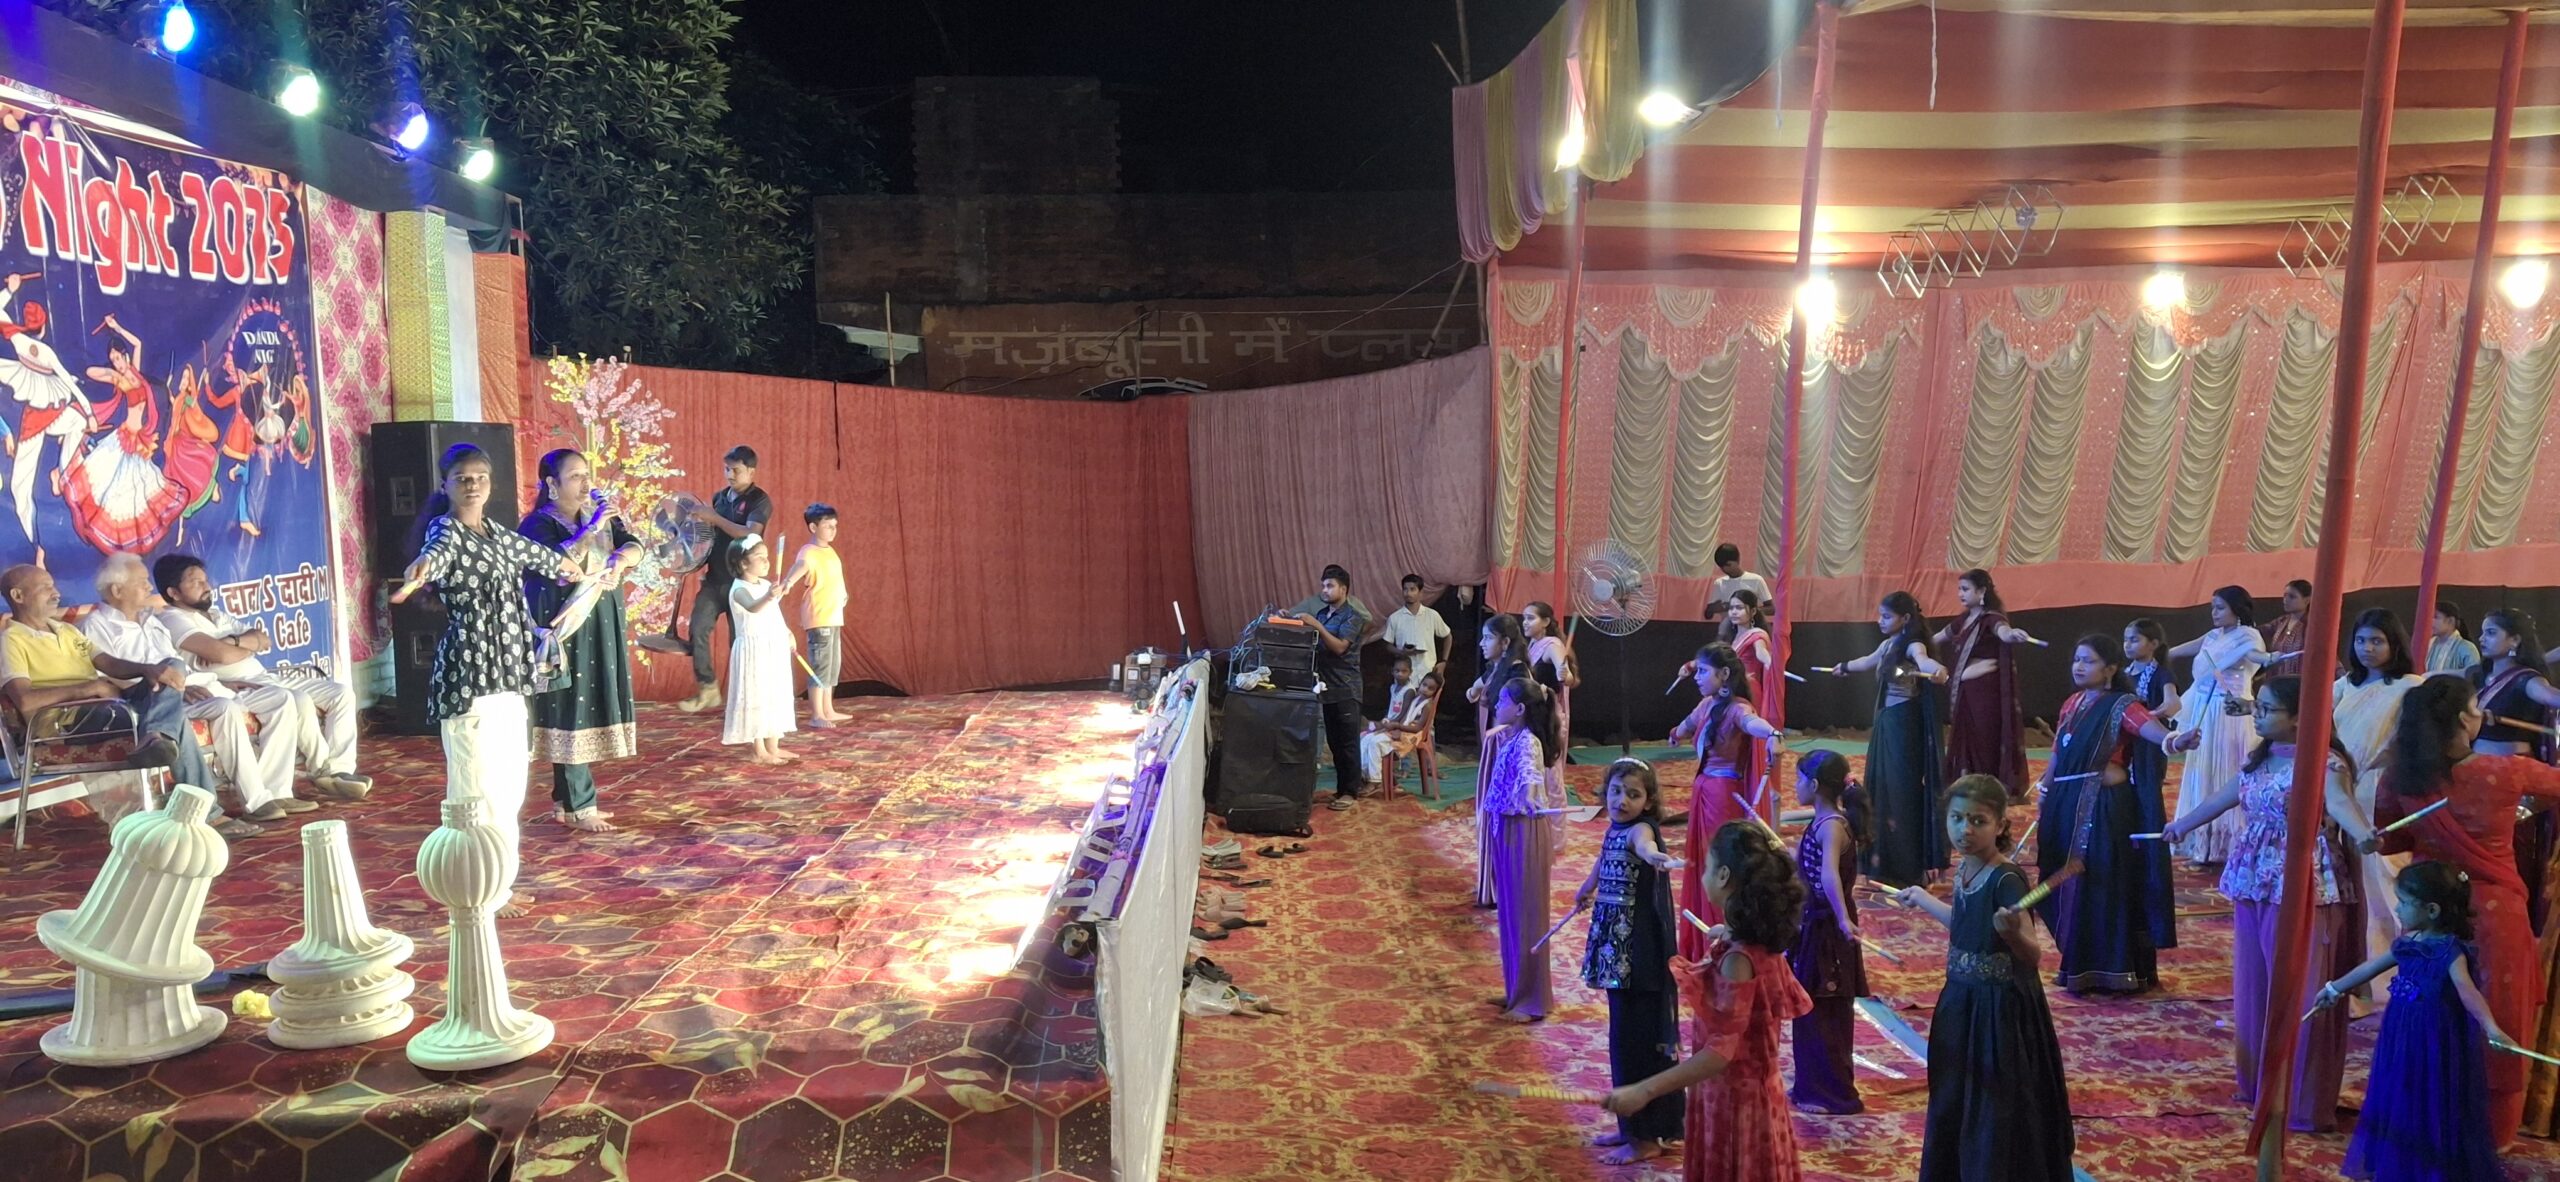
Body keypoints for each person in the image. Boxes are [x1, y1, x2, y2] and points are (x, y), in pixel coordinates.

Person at [2161, 676, 2371, 1133]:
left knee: (2302, 988)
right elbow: (2225, 796)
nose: (2256, 715)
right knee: (2255, 984)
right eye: (2258, 707)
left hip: (2307, 883)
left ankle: (2302, 1098)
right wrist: (2182, 825)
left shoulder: (2326, 761)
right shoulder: (2261, 756)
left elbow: (2340, 803)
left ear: (2299, 717)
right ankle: (2261, 1086)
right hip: (2254, 879)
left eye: (2267, 709)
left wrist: (2362, 833)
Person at [394, 443, 587, 916]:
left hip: (509, 676)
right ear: (445, 485)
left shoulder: (499, 535)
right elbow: (435, 556)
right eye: (462, 478)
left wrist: (572, 567)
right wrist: (420, 570)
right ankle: (477, 888)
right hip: (472, 680)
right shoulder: (446, 531)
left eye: (480, 477)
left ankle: (498, 881)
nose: (473, 484)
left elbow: (544, 558)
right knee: (474, 791)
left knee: (508, 791)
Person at [2370, 673, 2560, 1146]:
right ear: (2463, 718)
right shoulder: (2507, 771)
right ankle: (2490, 1135)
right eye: (2477, 708)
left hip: (2429, 913)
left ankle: (2422, 1122)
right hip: (2495, 915)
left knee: (2427, 1014)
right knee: (2497, 1015)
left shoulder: (2401, 777)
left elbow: (2389, 839)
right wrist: (2522, 809)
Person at [1603, 821, 1810, 1182]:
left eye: (1709, 866)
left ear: (1724, 876)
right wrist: (1726, 934)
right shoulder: (1755, 940)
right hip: (1751, 1096)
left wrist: (1645, 1089)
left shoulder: (1738, 959)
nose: (1703, 874)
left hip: (1736, 1106)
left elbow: (1720, 1053)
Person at [1895, 775, 2074, 1182]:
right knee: (1956, 1097)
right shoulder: (1967, 867)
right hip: (1962, 1002)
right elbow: (1965, 925)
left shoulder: (2006, 878)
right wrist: (1922, 898)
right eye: (1957, 819)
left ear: (2000, 825)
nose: (1965, 830)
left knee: (1992, 1107)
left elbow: (2032, 954)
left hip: (1998, 1014)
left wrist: (2012, 934)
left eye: (1978, 821)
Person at [2313, 861, 2506, 1182]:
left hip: (2432, 1040)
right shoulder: (2408, 944)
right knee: (2399, 1092)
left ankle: (2429, 1168)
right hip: (2401, 1034)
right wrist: (2334, 988)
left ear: (2431, 910)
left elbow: (2468, 992)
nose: (2397, 908)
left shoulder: (2450, 951)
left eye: (2403, 902)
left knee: (2428, 1097)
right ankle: (2401, 1161)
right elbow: (2370, 968)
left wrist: (2490, 1026)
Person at [82, 553, 308, 826]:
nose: (149, 587)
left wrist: (194, 684)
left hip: (184, 690)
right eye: (141, 582)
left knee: (241, 704)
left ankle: (259, 801)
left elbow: (181, 667)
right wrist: (171, 688)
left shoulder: (152, 621)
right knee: (187, 679)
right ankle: (162, 742)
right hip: (144, 701)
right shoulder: (95, 626)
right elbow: (109, 677)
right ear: (117, 590)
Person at [0, 565, 222, 830]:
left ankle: (157, 736)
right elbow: (25, 700)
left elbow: (108, 663)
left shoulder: (66, 630)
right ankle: (203, 811)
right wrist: (89, 688)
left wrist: (147, 669)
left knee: (171, 667)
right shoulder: (11, 640)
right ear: (18, 595)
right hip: (67, 721)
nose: (56, 593)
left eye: (53, 585)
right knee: (174, 721)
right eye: (45, 588)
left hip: (107, 706)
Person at [2037, 636, 2193, 996]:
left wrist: (2174, 741)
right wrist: (2046, 792)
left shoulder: (2124, 704)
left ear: (2109, 669)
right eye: (2076, 659)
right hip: (2066, 804)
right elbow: (2058, 753)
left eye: (2088, 661)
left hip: (2103, 810)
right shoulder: (2072, 703)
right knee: (2065, 879)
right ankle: (2078, 965)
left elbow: (2151, 730)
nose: (2079, 666)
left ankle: (2114, 968)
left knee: (2101, 882)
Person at [154, 554, 371, 802]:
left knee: (341, 693)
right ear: (174, 592)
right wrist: (243, 646)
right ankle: (313, 776)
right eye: (196, 582)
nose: (207, 587)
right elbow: (221, 655)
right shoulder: (172, 619)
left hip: (263, 676)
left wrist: (233, 641)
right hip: (236, 687)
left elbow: (264, 640)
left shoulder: (215, 614)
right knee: (295, 699)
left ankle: (339, 769)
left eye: (205, 580)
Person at [1570, 758, 1684, 1163]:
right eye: (1616, 791)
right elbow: (1605, 858)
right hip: (1617, 952)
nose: (1621, 800)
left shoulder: (1640, 830)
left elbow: (1644, 846)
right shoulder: (1616, 828)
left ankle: (1647, 1136)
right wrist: (1588, 886)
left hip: (1637, 955)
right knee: (1622, 1038)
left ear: (1648, 801)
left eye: (1633, 794)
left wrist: (1655, 857)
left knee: (1636, 1041)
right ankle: (1630, 1128)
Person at [518, 449, 637, 834]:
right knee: (570, 708)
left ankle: (567, 802)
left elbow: (634, 545)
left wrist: (619, 560)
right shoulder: (537, 524)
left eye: (587, 474)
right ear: (551, 484)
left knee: (584, 703)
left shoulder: (596, 517)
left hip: (598, 624)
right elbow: (557, 562)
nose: (586, 483)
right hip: (566, 628)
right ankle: (580, 805)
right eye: (575, 476)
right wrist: (595, 527)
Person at [1832, 591, 1949, 887]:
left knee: (1901, 790)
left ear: (1905, 618)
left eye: (1886, 616)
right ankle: (1883, 861)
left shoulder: (1913, 644)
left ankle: (1906, 865)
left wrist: (1939, 670)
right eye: (1880, 615)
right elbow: (1868, 661)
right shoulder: (1888, 644)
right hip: (1886, 722)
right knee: (1882, 787)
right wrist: (1844, 667)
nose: (1880, 621)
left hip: (1903, 725)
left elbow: (1924, 661)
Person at [2332, 608, 2421, 995]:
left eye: (2377, 641)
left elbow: (2411, 742)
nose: (2367, 648)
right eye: (2360, 640)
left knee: (2381, 880)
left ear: (2394, 644)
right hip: (2337, 787)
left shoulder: (2409, 687)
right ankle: (2353, 974)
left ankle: (2389, 977)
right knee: (2343, 881)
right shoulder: (2343, 686)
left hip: (2379, 791)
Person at [1672, 644, 1782, 937]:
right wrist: (1676, 734)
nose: (1697, 677)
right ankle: (1703, 932)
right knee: (1703, 860)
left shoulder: (1738, 708)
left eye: (1703, 671)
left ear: (1723, 674)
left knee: (1720, 862)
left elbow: (1753, 724)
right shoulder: (1707, 705)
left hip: (1722, 795)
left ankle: (1725, 928)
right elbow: (1685, 726)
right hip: (1703, 789)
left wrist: (1772, 732)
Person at [1787, 750, 1869, 1115]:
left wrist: (1842, 919)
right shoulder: (1822, 821)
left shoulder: (1832, 825)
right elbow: (1806, 867)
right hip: (1815, 924)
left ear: (1815, 784)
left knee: (1825, 1012)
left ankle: (1831, 1093)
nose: (1795, 785)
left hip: (1828, 929)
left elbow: (1829, 874)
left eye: (1798, 779)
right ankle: (1811, 1086)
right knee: (1809, 1009)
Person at [2167, 585, 2269, 866]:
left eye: (2220, 607)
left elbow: (2254, 655)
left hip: (2229, 711)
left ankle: (2228, 843)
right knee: (2203, 770)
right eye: (2213, 607)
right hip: (2204, 708)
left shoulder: (2248, 636)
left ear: (2237, 609)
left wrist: (2269, 658)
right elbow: (2182, 650)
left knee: (2227, 770)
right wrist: (2160, 654)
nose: (2214, 613)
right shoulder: (2214, 635)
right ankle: (2201, 843)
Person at [1483, 676, 1559, 1023]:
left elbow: (1531, 776)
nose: (1496, 705)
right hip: (1509, 829)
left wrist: (1529, 796)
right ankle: (1517, 987)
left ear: (1519, 709)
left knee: (1526, 916)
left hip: (1523, 831)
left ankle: (1531, 1000)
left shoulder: (1528, 741)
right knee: (1511, 914)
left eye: (1502, 701)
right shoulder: (1513, 736)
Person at [676, 446, 773, 714]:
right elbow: (710, 535)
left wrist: (715, 518)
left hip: (741, 582)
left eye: (736, 470)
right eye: (726, 469)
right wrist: (693, 541)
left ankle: (745, 700)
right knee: (698, 627)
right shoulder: (719, 497)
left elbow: (751, 535)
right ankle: (708, 689)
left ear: (751, 472)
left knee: (740, 641)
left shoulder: (759, 500)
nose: (729, 474)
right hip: (714, 579)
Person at [2121, 618, 2183, 957]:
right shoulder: (2123, 673)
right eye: (2126, 639)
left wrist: (2147, 716)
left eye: (2135, 639)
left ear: (2154, 643)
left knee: (2147, 811)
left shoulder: (2161, 675)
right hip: (2123, 750)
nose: (2128, 645)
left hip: (2147, 753)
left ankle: (2154, 914)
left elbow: (2174, 704)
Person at [1289, 564, 1373, 810]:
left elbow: (1339, 647)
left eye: (1330, 586)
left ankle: (1350, 792)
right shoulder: (1324, 614)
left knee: (1348, 744)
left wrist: (1316, 625)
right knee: (1335, 744)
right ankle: (1341, 789)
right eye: (1323, 586)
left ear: (1343, 589)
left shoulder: (1353, 617)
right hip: (1327, 689)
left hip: (1347, 688)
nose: (1324, 590)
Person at [721, 538, 797, 766]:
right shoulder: (738, 589)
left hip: (773, 646)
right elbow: (753, 607)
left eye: (767, 556)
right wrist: (770, 596)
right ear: (743, 563)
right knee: (756, 695)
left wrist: (787, 632)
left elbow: (774, 614)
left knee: (774, 693)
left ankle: (773, 745)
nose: (766, 561)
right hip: (753, 651)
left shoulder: (764, 585)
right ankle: (758, 750)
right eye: (759, 557)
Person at [1470, 614, 1527, 906]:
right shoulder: (1497, 668)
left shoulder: (1517, 673)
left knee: (1501, 817)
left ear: (1505, 642)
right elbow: (1477, 691)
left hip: (1505, 752)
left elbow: (1521, 714)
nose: (1482, 643)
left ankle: (1501, 886)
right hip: (1494, 750)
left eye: (1488, 638)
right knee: (1489, 816)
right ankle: (1491, 884)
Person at [780, 503, 850, 727]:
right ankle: (817, 714)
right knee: (820, 666)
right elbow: (800, 566)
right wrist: (788, 582)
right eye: (828, 526)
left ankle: (828, 709)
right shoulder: (808, 551)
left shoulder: (830, 551)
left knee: (832, 666)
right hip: (819, 617)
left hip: (833, 616)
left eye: (835, 526)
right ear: (813, 527)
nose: (833, 530)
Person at [1523, 601, 1579, 808]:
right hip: (1533, 713)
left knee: (1548, 768)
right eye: (1524, 618)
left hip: (1548, 718)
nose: (1525, 622)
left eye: (1531, 618)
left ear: (1545, 622)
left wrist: (1564, 675)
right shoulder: (1531, 645)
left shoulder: (1552, 646)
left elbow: (1568, 678)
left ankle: (1551, 813)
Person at [1358, 664, 1438, 797]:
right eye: (1424, 685)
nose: (1425, 689)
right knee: (1366, 738)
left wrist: (1398, 727)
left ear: (1435, 692)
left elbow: (1418, 728)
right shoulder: (1416, 699)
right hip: (1402, 729)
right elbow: (1405, 717)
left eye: (1430, 688)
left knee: (1375, 742)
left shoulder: (1427, 705)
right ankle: (1364, 776)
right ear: (1420, 683)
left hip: (1412, 735)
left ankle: (1375, 781)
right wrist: (1394, 726)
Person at [1382, 574, 1451, 688]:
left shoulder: (1432, 615)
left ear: (1421, 592)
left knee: (1427, 699)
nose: (1408, 593)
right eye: (1405, 589)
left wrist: (1444, 661)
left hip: (1428, 673)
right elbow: (1387, 644)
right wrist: (1401, 652)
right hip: (1404, 676)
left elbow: (1448, 636)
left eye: (1412, 589)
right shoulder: (1395, 618)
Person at [1706, 543, 1772, 619]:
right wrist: (1721, 607)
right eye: (1721, 567)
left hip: (1751, 625)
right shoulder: (1719, 583)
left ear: (1738, 560)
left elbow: (1771, 609)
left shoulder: (1756, 580)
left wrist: (1749, 611)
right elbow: (1708, 614)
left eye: (1728, 565)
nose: (1725, 569)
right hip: (1728, 625)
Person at [2262, 579, 2312, 670]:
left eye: (2292, 597)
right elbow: (2260, 631)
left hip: (2301, 677)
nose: (2286, 600)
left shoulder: (2313, 625)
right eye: (2285, 595)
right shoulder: (2281, 622)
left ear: (2307, 600)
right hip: (2276, 677)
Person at [2432, 601, 2483, 674]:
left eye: (2435, 617)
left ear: (2450, 621)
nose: (2431, 621)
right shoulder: (2429, 645)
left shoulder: (2467, 648)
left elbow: (2473, 675)